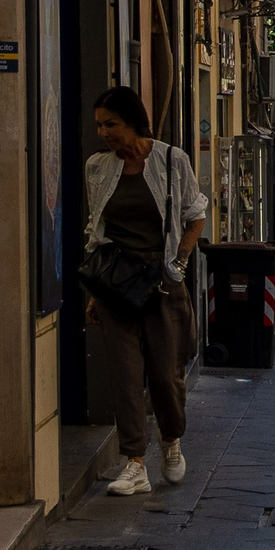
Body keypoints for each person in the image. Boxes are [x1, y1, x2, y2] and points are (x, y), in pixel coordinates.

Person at [83, 87, 206, 496]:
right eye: (99, 124)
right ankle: (134, 463)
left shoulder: (171, 160)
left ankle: (170, 441)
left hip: (161, 281)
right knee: (124, 374)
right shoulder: (97, 167)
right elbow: (96, 232)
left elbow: (194, 215)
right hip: (116, 283)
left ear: (133, 121)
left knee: (166, 376)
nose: (103, 132)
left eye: (111, 124)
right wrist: (94, 293)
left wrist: (179, 264)